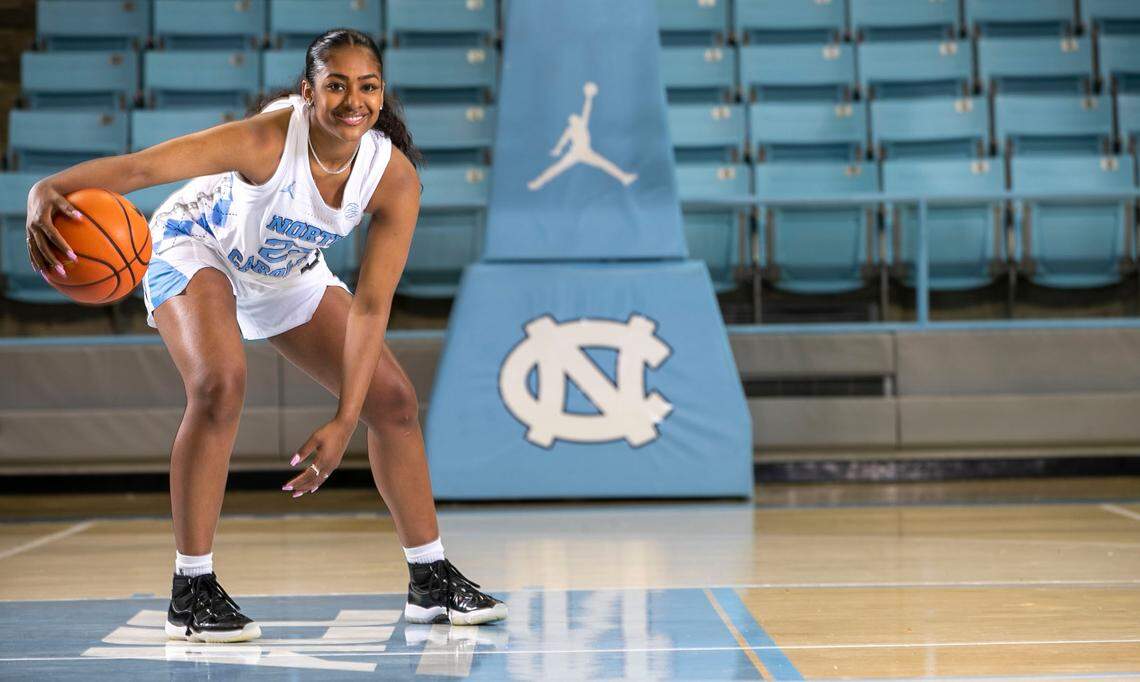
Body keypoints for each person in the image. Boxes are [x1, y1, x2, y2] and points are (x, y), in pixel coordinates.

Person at [23, 28, 507, 643]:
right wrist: (48, 189)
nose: (352, 100)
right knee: (220, 386)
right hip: (198, 246)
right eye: (335, 86)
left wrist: (343, 420)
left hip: (286, 270)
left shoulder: (394, 178)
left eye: (368, 86)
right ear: (308, 92)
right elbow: (144, 166)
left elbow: (371, 306)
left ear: (382, 94)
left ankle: (429, 577)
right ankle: (191, 590)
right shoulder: (265, 139)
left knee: (393, 404)